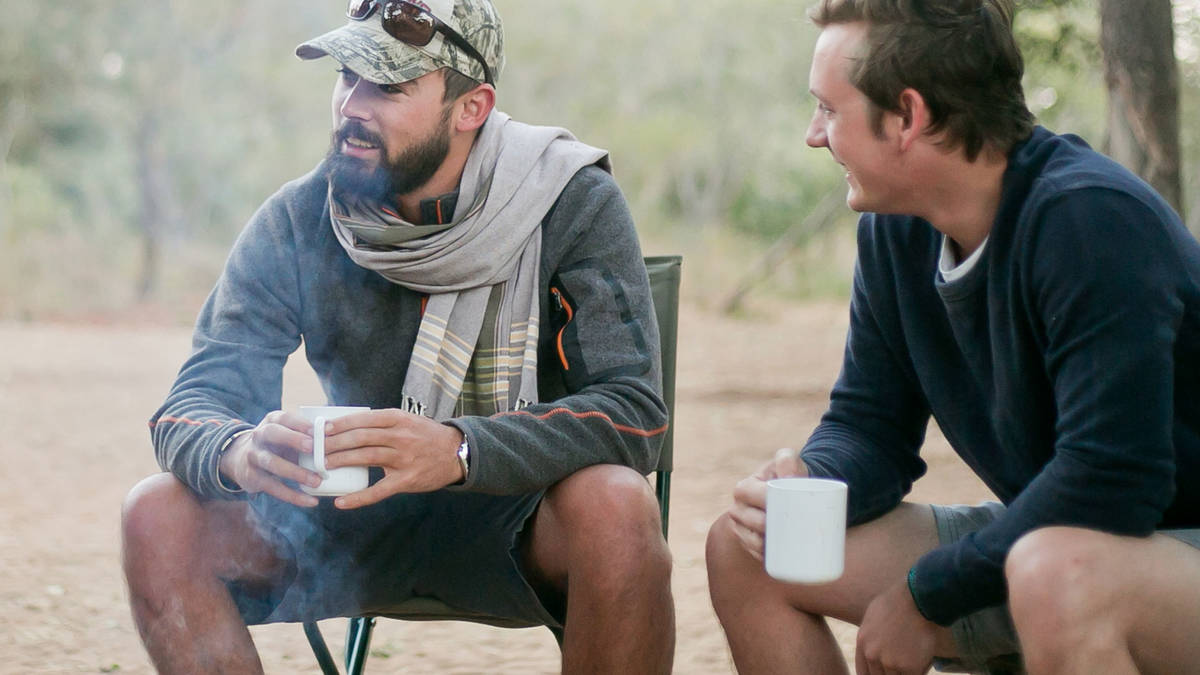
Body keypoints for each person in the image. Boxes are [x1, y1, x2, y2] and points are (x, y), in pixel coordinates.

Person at [120, 1, 675, 672]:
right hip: (343, 523)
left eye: (387, 85)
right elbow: (190, 406)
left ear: (471, 107)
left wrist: (461, 448)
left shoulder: (568, 202)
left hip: (522, 519)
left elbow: (633, 413)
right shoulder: (300, 218)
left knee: (617, 505)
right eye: (345, 76)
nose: (352, 106)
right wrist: (241, 451)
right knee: (156, 514)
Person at [706, 1, 1200, 674]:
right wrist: (809, 479)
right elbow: (871, 426)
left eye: (828, 109)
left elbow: (1111, 483)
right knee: (749, 551)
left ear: (907, 116)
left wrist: (926, 594)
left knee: (1056, 575)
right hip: (1060, 547)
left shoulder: (1090, 220)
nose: (813, 135)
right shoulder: (897, 230)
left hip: (1142, 554)